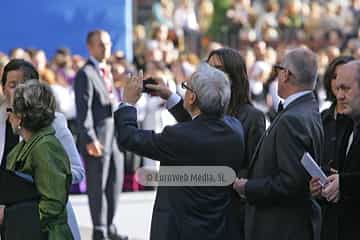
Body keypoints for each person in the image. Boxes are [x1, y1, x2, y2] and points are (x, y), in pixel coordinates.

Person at [115, 63, 245, 240]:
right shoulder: (235, 129)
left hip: (181, 230)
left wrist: (128, 103)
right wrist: (169, 96)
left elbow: (129, 138)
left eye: (185, 88)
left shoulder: (179, 136)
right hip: (220, 228)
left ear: (191, 97)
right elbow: (201, 126)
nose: (183, 91)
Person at [147, 47, 265, 236]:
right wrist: (169, 95)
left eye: (217, 69)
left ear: (233, 76)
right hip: (192, 211)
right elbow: (192, 129)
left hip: (228, 212)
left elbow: (253, 168)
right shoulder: (206, 107)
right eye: (207, 68)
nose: (209, 74)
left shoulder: (252, 117)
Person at [233, 48, 324, 240]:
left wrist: (248, 187)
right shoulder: (307, 109)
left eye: (278, 69)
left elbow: (290, 183)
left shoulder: (293, 118)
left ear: (286, 75)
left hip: (280, 228)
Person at [0, 59, 83, 240]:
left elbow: (76, 171)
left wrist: (41, 180)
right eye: (12, 85)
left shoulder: (53, 125)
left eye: (23, 85)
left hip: (38, 222)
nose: (17, 92)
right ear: (3, 88)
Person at [74, 29, 126, 240]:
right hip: (98, 137)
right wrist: (89, 138)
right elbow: (83, 110)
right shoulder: (85, 74)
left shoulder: (107, 70)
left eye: (107, 43)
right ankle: (100, 229)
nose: (105, 48)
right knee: (97, 186)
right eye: (100, 44)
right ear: (90, 47)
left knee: (115, 182)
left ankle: (110, 224)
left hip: (114, 137)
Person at [310, 60, 360, 240]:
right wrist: (326, 186)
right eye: (337, 88)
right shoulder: (348, 124)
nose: (339, 95)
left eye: (346, 89)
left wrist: (344, 183)